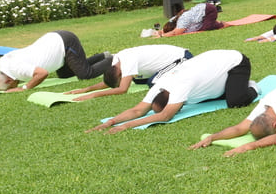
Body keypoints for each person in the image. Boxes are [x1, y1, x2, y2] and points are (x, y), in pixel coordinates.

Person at [91, 49, 257, 133]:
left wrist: (126, 126)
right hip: (211, 66)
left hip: (235, 62)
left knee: (236, 101)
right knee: (207, 96)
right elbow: (138, 109)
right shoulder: (158, 85)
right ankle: (229, 86)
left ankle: (251, 86)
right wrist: (111, 121)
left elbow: (165, 116)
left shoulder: (181, 86)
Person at [0, 30, 110, 92]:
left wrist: (24, 88)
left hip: (65, 42)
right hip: (54, 41)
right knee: (66, 75)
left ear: (9, 80)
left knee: (85, 74)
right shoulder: (2, 64)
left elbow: (42, 73)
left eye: (10, 88)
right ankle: (102, 57)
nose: (13, 89)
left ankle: (114, 59)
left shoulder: (17, 69)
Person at [66, 44, 192, 100]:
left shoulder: (127, 62)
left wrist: (94, 95)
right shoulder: (117, 61)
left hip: (182, 58)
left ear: (121, 74)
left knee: (152, 83)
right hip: (168, 61)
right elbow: (110, 83)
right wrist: (86, 89)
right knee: (137, 80)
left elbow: (122, 89)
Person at [157, 0, 224, 36]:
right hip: (203, 8)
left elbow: (175, 33)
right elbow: (168, 26)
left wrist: (162, 35)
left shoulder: (181, 22)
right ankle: (213, 22)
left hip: (209, 10)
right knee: (199, 25)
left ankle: (221, 24)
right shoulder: (173, 20)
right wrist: (161, 31)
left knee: (205, 28)